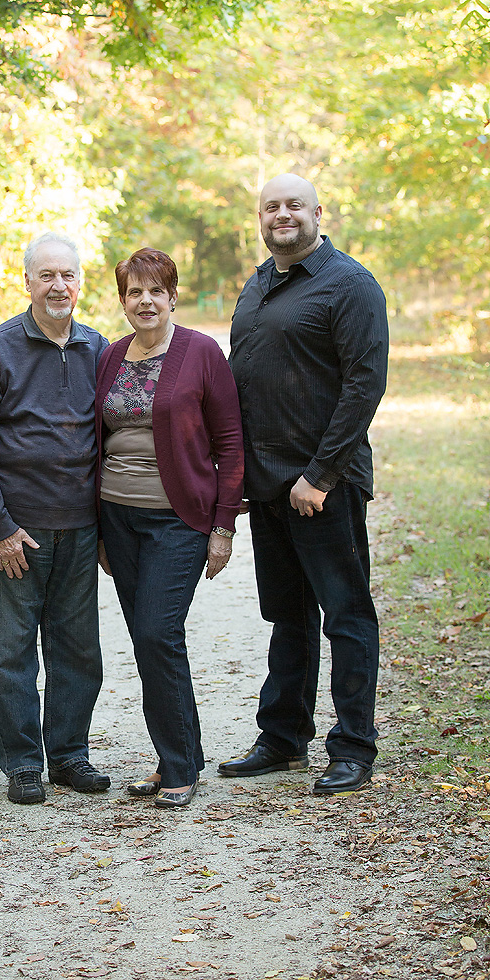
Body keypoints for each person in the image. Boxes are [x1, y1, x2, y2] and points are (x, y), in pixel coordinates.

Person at [219, 173, 389, 795]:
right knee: (288, 615)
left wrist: (319, 475)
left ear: (319, 212)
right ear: (260, 219)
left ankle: (352, 746)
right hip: (268, 488)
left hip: (325, 486)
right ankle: (284, 737)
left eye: (294, 206)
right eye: (271, 207)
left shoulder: (351, 285)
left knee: (345, 614)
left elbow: (364, 386)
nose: (282, 215)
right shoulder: (257, 285)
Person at [0, 231, 110, 805]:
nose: (58, 285)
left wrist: (106, 527)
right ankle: (22, 763)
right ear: (26, 282)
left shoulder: (100, 348)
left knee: (77, 647)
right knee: (11, 648)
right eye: (46, 275)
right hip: (15, 529)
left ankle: (70, 755)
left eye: (67, 275)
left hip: (80, 526)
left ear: (79, 281)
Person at [96, 247, 244, 809]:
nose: (145, 300)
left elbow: (230, 442)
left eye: (156, 290)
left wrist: (223, 524)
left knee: (158, 633)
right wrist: (102, 530)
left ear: (173, 295)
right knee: (147, 641)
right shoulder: (110, 358)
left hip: (178, 520)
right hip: (118, 518)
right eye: (134, 292)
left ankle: (181, 765)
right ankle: (173, 758)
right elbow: (96, 440)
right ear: (122, 301)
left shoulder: (201, 352)